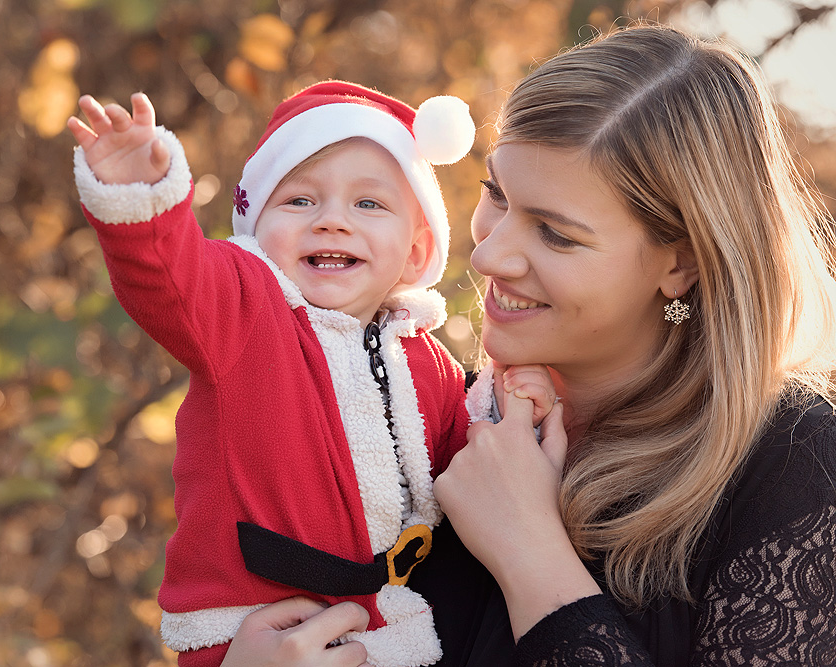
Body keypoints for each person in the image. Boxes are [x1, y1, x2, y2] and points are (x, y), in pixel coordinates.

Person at [216, 23, 836, 667]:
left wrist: (528, 552)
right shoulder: (419, 420)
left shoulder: (795, 468)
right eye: (497, 196)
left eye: (556, 235)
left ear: (679, 264)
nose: (488, 253)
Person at [67, 81, 556, 667]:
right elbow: (171, 280)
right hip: (247, 629)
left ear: (417, 251)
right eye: (299, 201)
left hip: (377, 626)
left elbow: (464, 461)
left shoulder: (426, 362)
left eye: (369, 204)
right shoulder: (246, 312)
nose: (332, 222)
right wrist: (142, 202)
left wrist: (511, 408)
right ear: (255, 229)